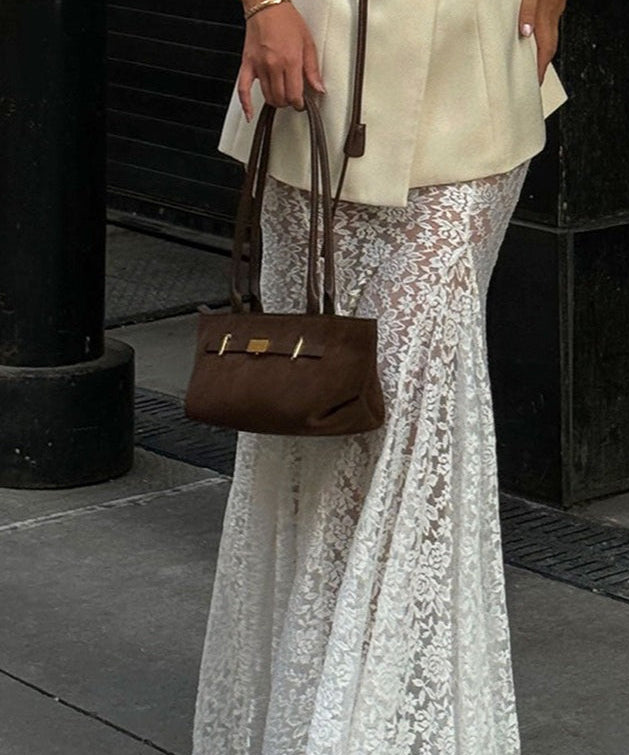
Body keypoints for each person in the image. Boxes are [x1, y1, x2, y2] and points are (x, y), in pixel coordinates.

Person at [192, 0, 567, 753]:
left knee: (420, 427)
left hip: (473, 80)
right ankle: (308, 711)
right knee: (312, 422)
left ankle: (382, 727)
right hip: (314, 72)